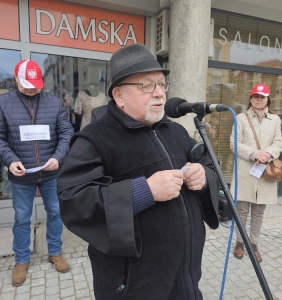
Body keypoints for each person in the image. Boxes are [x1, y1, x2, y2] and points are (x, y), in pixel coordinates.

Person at [57, 43, 220, 300]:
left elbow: (211, 168)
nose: (159, 93)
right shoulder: (94, 140)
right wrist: (145, 191)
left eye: (161, 84)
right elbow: (73, 201)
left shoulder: (176, 131)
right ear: (119, 95)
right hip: (133, 287)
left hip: (185, 278)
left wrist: (203, 177)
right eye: (146, 85)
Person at [0, 59, 74, 287]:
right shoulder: (3, 103)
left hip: (51, 173)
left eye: (35, 84)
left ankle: (55, 251)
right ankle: (22, 260)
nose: (32, 88)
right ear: (17, 80)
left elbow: (67, 133)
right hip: (22, 176)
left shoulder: (54, 103)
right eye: (27, 84)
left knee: (55, 213)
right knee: (22, 218)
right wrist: (10, 161)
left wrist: (58, 157)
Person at [230, 83, 282, 263]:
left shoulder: (275, 120)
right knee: (242, 210)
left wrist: (267, 154)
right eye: (255, 96)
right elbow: (234, 143)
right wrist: (254, 154)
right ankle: (240, 243)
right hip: (246, 170)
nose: (259, 99)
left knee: (259, 211)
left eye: (262, 96)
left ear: (268, 98)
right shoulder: (241, 118)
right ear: (251, 98)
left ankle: (253, 244)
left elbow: (279, 143)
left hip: (265, 172)